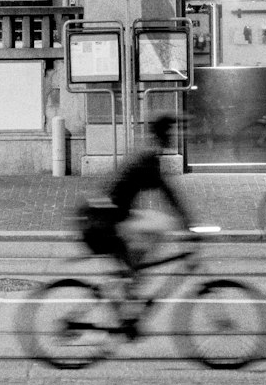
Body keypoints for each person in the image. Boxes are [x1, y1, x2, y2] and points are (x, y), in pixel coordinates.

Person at [78, 115, 193, 330]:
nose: (174, 138)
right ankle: (132, 283)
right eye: (172, 134)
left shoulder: (146, 151)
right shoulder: (148, 158)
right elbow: (168, 193)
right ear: (164, 135)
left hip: (107, 215)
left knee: (157, 225)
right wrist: (188, 223)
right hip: (104, 222)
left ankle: (134, 276)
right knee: (163, 225)